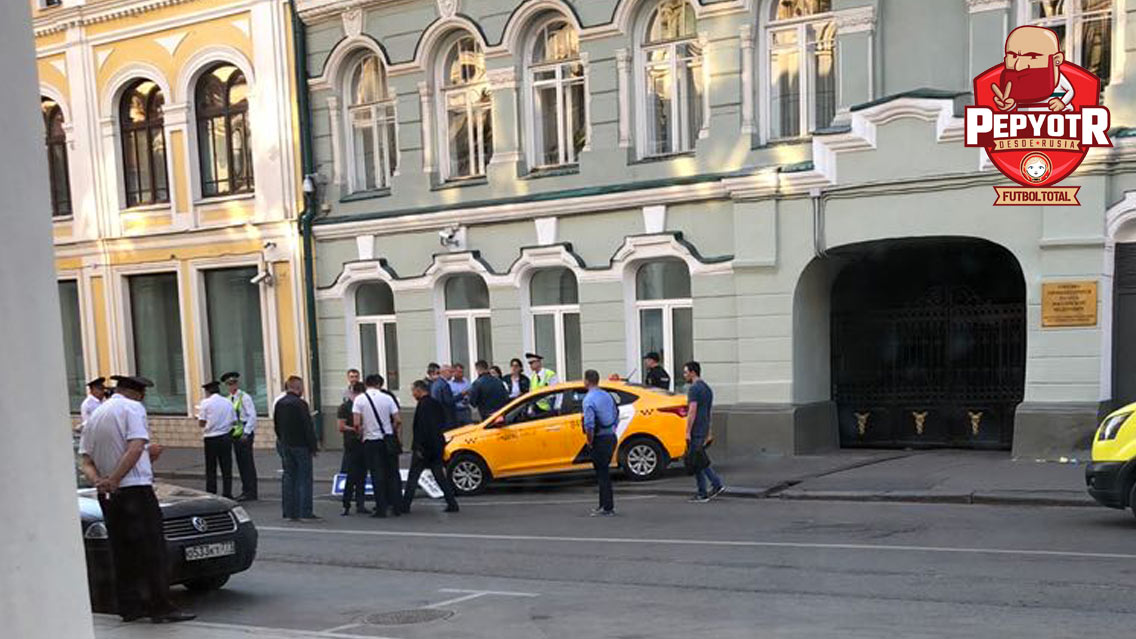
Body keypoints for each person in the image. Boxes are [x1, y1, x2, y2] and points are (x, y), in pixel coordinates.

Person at [78, 375, 195, 624]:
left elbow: (86, 461)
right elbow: (135, 447)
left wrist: (101, 481)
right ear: (139, 394)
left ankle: (129, 607)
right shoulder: (133, 408)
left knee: (122, 551)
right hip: (135, 490)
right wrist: (117, 478)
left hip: (108, 496)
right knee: (152, 551)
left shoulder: (96, 415)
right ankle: (160, 607)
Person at [402, 379, 460, 514]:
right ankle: (452, 502)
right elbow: (441, 423)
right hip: (437, 446)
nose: (412, 394)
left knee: (413, 477)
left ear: (418, 390)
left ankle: (405, 505)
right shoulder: (435, 404)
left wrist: (420, 447)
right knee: (439, 476)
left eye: (413, 391)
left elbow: (423, 429)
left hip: (424, 448)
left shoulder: (423, 406)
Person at [354, 374, 403, 518]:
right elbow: (398, 420)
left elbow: (356, 423)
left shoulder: (360, 399)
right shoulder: (388, 398)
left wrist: (362, 432)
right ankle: (396, 506)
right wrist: (391, 429)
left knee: (377, 474)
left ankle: (381, 508)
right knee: (392, 473)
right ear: (380, 384)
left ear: (366, 384)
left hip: (371, 441)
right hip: (387, 439)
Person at [274, 376, 320, 521]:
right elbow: (308, 427)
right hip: (301, 445)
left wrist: (282, 440)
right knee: (304, 479)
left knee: (288, 477)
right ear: (297, 387)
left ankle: (288, 512)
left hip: (285, 444)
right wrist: (313, 446)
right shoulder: (300, 404)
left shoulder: (279, 403)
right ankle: (304, 511)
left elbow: (276, 425)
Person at [683, 361, 726, 503]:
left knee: (699, 460)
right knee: (698, 459)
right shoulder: (707, 388)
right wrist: (709, 430)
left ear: (693, 372)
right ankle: (703, 491)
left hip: (696, 428)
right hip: (704, 426)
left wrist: (687, 430)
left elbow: (692, 411)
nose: (684, 375)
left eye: (686, 372)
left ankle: (714, 485)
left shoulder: (694, 389)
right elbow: (708, 411)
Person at [582, 370, 619, 517]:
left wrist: (589, 441)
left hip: (600, 439)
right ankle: (604, 504)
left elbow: (589, 424)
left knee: (602, 474)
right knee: (604, 472)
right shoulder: (607, 395)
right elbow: (616, 413)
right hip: (611, 436)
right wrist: (613, 428)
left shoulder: (588, 399)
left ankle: (607, 507)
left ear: (587, 381)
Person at [221, 371, 258, 502]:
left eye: (234, 383)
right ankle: (246, 490)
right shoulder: (228, 398)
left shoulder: (244, 397)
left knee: (247, 463)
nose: (232, 386)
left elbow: (252, 415)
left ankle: (250, 491)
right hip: (234, 434)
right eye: (229, 384)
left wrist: (247, 433)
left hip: (244, 434)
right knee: (241, 463)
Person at [198, 380, 236, 498]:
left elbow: (202, 422)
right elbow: (233, 420)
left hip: (211, 438)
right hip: (225, 436)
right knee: (226, 466)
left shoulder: (205, 403)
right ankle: (227, 492)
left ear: (208, 391)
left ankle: (211, 492)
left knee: (211, 467)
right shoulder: (227, 402)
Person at [337, 381, 370, 516]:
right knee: (352, 475)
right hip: (352, 443)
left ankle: (359, 504)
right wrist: (356, 429)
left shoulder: (364, 406)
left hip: (362, 443)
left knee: (361, 475)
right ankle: (347, 503)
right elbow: (341, 426)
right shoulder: (345, 407)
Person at [427, 362, 457, 429]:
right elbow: (448, 401)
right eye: (450, 372)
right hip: (446, 417)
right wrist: (460, 396)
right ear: (445, 372)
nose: (452, 375)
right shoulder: (444, 385)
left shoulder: (435, 383)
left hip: (438, 416)